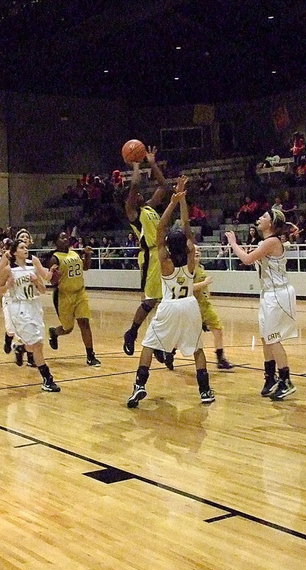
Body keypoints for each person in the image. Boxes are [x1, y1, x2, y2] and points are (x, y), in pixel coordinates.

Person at [126, 177, 214, 408]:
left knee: (148, 345)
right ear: (185, 245)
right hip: (189, 305)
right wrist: (182, 199)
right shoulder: (190, 259)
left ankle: (140, 385)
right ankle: (205, 391)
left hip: (169, 306)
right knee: (197, 349)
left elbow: (161, 226)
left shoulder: (164, 262)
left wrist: (173, 202)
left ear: (166, 244)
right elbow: (185, 226)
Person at [225, 209, 298, 400]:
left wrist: (233, 243)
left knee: (273, 338)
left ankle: (286, 380)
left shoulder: (272, 242)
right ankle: (270, 378)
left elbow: (247, 260)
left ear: (272, 224)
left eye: (264, 216)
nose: (259, 218)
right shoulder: (266, 242)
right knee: (266, 338)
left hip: (279, 294)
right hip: (268, 294)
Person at [122, 145, 171, 356]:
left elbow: (164, 186)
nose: (140, 194)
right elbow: (134, 184)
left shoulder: (150, 206)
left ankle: (159, 341)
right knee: (151, 300)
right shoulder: (132, 213)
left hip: (163, 252)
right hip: (150, 256)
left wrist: (152, 163)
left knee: (167, 299)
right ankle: (132, 333)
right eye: (137, 194)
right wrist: (135, 165)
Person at [0, 239, 59, 392]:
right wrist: (7, 286)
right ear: (15, 252)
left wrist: (37, 282)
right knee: (37, 345)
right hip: (20, 308)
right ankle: (47, 378)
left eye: (26, 247)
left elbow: (43, 290)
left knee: (36, 344)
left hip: (35, 306)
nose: (26, 249)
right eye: (22, 247)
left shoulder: (33, 267)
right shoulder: (8, 270)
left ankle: (20, 348)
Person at [47, 232, 101, 367]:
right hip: (64, 296)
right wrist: (55, 275)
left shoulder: (74, 253)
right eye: (62, 238)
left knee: (84, 323)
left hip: (80, 293)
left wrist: (87, 255)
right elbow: (52, 282)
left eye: (66, 237)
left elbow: (85, 267)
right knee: (68, 328)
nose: (66, 240)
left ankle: (90, 355)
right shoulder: (55, 258)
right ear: (56, 242)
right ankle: (54, 332)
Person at [192, 244, 234, 370]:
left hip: (205, 305)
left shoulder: (201, 267)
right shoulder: (188, 269)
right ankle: (170, 352)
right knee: (187, 336)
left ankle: (220, 358)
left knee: (218, 329)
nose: (197, 252)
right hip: (192, 306)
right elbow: (188, 288)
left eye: (199, 250)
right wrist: (204, 283)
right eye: (194, 250)